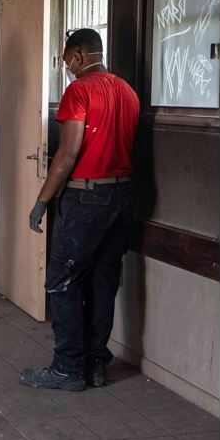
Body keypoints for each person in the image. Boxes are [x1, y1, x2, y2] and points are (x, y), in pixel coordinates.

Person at [20, 28, 139, 392]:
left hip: (86, 199)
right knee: (103, 281)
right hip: (122, 198)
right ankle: (96, 364)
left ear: (79, 56)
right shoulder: (128, 91)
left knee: (61, 281)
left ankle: (68, 368)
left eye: (66, 58)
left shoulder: (79, 91)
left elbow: (68, 153)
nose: (66, 66)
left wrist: (42, 201)